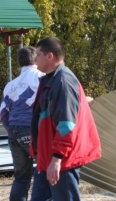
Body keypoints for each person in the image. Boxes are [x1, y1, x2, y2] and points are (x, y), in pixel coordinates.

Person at [30, 37, 101, 201]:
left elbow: (66, 125)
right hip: (47, 156)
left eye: (38, 55)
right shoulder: (50, 79)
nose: (35, 60)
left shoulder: (63, 82)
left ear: (50, 56)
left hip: (62, 159)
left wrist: (57, 159)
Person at [0, 46, 44, 201]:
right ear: (36, 58)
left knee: (21, 177)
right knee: (43, 171)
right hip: (35, 131)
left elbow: (3, 113)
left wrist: (12, 130)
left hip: (14, 132)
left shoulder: (10, 85)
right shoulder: (43, 78)